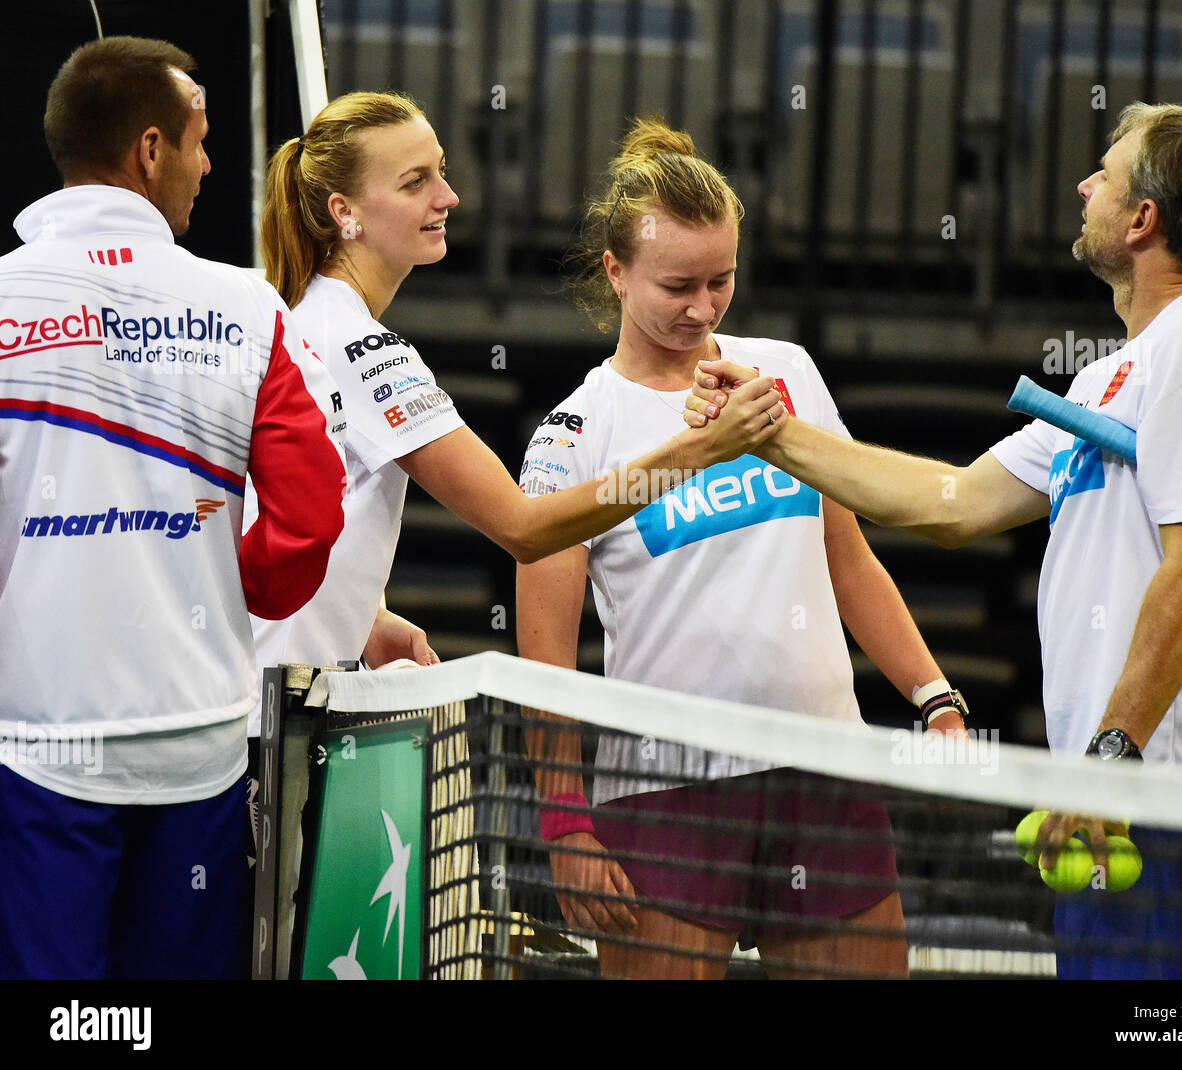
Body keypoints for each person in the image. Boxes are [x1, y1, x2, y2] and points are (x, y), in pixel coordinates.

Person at [687, 102, 1182, 980]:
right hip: (1119, 801)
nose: (1083, 185)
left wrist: (1111, 763)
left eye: (1105, 174)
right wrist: (772, 431)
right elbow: (954, 502)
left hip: (1177, 797)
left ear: (1143, 219)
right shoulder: (1111, 374)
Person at [516, 118, 971, 980]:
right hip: (666, 793)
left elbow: (851, 563)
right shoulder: (575, 432)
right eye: (677, 284)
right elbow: (545, 658)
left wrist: (934, 695)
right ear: (616, 272)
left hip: (824, 770)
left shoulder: (784, 371)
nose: (702, 306)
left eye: (721, 280)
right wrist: (566, 825)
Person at [247, 92, 784, 726]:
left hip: (273, 700)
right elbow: (523, 528)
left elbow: (304, 515)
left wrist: (365, 615)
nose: (447, 197)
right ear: (345, 213)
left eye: (441, 171)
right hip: (272, 718)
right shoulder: (359, 346)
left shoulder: (313, 320)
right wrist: (699, 452)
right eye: (416, 182)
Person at [0, 37, 348, 980]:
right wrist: (223, 588)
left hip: (37, 747)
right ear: (149, 151)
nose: (206, 164)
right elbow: (311, 515)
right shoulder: (246, 306)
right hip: (197, 746)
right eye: (197, 142)